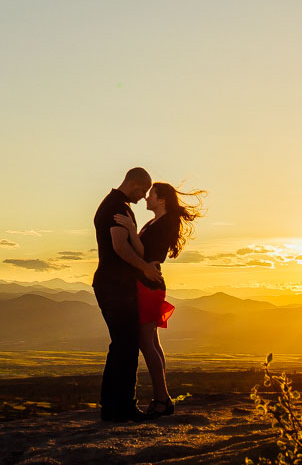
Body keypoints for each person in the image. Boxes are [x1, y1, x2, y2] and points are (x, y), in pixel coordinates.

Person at [114, 181, 205, 417]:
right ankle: (162, 398)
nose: (146, 198)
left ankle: (162, 398)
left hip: (148, 284)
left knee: (146, 341)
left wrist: (131, 231)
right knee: (151, 340)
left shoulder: (162, 224)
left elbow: (143, 253)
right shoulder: (156, 222)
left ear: (161, 199)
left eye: (151, 195)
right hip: (148, 282)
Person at [92, 167, 163, 422]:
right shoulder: (118, 207)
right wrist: (145, 267)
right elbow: (120, 246)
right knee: (127, 344)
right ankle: (122, 408)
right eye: (143, 190)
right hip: (115, 286)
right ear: (133, 183)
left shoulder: (114, 204)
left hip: (112, 284)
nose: (144, 196)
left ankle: (112, 407)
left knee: (121, 344)